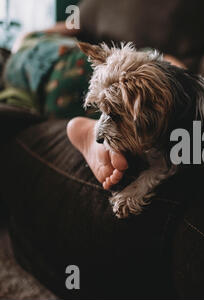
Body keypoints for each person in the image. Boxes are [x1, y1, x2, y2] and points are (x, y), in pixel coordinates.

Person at [2, 22, 186, 190]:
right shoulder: (27, 41)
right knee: (144, 72)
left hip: (73, 87)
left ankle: (95, 130)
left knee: (111, 102)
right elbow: (74, 25)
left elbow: (23, 112)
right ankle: (95, 132)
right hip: (89, 67)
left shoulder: (13, 76)